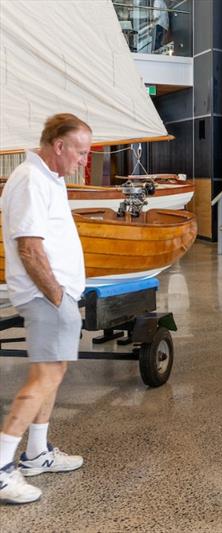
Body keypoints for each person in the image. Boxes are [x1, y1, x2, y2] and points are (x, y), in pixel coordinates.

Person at [0, 113, 90, 505]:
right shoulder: (31, 180)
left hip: (57, 296)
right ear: (59, 146)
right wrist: (57, 298)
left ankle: (36, 454)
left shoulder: (49, 178)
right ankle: (3, 470)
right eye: (81, 152)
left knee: (53, 375)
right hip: (45, 297)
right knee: (43, 379)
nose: (84, 161)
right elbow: (30, 248)